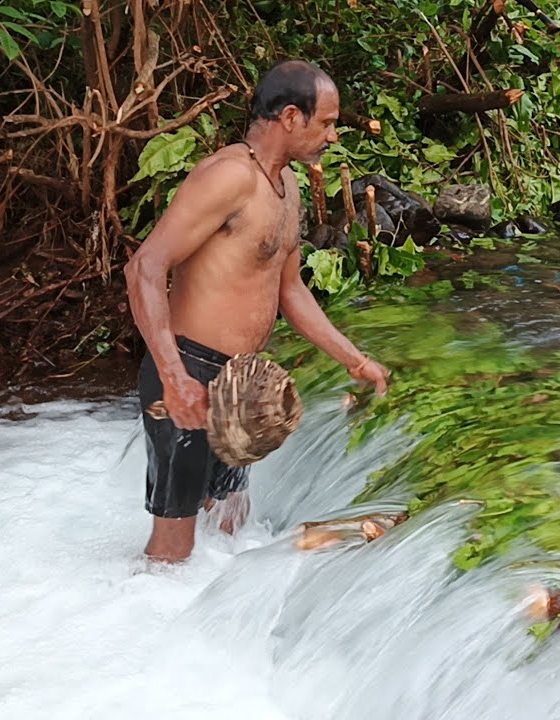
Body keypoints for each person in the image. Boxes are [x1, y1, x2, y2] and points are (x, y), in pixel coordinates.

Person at [124, 60, 390, 563]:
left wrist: (353, 359)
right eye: (327, 122)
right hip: (190, 370)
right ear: (291, 116)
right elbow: (144, 268)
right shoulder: (229, 177)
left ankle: (206, 627)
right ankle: (139, 625)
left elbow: (290, 291)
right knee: (174, 547)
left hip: (240, 382)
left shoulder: (286, 187)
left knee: (227, 525)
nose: (333, 136)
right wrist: (173, 375)